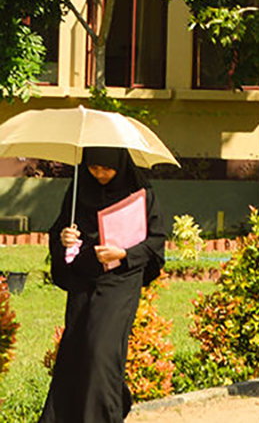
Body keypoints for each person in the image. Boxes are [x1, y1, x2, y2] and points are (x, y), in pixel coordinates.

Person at [41, 147, 168, 423]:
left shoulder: (141, 194)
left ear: (120, 165)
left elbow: (156, 243)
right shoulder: (78, 191)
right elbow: (60, 230)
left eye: (107, 168)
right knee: (76, 352)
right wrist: (65, 238)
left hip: (120, 282)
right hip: (83, 280)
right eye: (93, 167)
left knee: (101, 354)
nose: (99, 174)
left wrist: (123, 254)